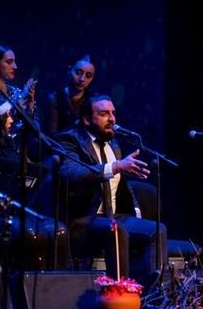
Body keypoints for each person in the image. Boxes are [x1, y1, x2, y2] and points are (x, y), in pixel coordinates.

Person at [56, 94, 167, 280]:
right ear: (86, 119)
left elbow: (119, 184)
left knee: (157, 229)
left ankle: (153, 295)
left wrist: (136, 209)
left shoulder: (113, 143)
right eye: (104, 113)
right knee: (116, 229)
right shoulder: (69, 140)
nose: (112, 118)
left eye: (113, 113)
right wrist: (116, 166)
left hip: (113, 216)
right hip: (84, 219)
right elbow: (71, 173)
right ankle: (119, 293)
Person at [45, 55, 96, 134]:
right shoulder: (55, 98)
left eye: (88, 76)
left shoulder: (93, 101)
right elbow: (51, 135)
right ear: (70, 69)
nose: (82, 79)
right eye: (78, 73)